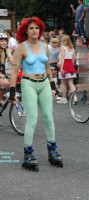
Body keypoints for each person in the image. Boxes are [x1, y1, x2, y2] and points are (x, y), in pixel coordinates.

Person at [9, 17, 63, 172]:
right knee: (32, 120)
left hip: (44, 83)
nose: (34, 31)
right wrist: (12, 91)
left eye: (37, 28)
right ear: (25, 30)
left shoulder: (44, 46)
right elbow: (14, 70)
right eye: (31, 28)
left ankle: (52, 151)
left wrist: (53, 86)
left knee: (49, 118)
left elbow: (47, 68)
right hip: (29, 84)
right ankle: (28, 154)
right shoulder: (21, 47)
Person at [57, 35, 76, 104]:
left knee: (63, 83)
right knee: (71, 83)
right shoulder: (72, 48)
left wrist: (61, 68)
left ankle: (64, 99)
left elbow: (62, 58)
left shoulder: (62, 47)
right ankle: (75, 97)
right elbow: (73, 59)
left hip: (65, 65)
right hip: (70, 65)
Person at [0, 33, 11, 106]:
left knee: (9, 83)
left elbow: (12, 59)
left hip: (2, 70)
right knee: (6, 83)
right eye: (2, 41)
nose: (4, 42)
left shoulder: (6, 50)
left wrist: (19, 66)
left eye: (5, 41)